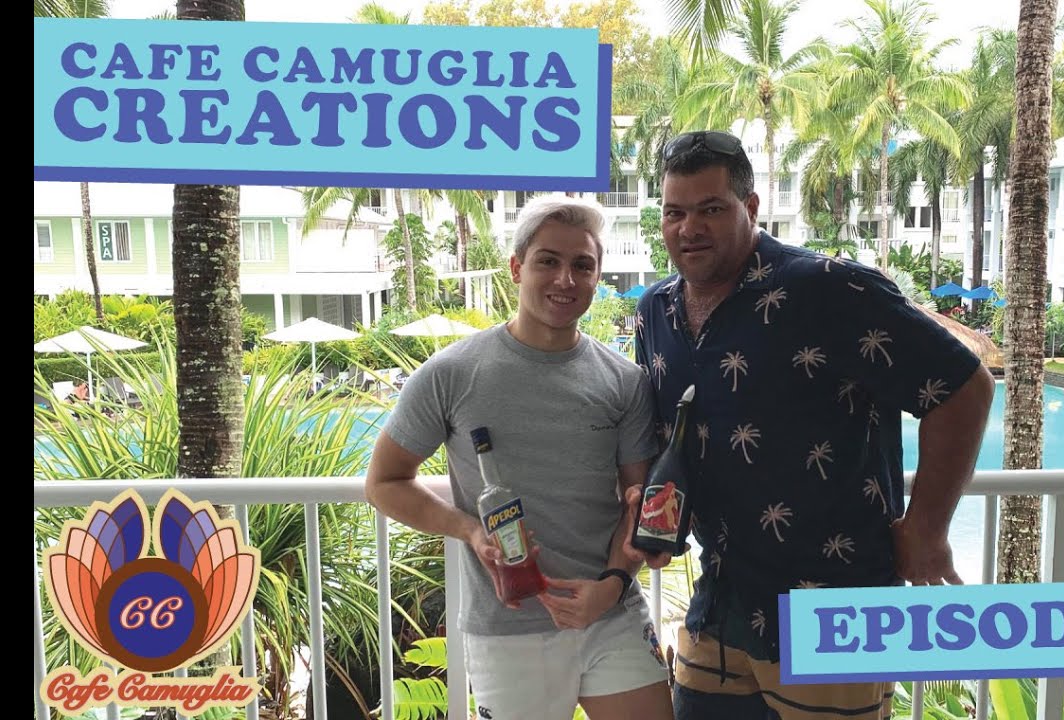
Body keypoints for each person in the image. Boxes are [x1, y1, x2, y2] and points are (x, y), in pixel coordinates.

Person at [626, 130, 995, 719]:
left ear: (750, 207)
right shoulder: (655, 311)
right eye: (675, 212)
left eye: (711, 209)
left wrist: (927, 528)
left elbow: (964, 386)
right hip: (719, 596)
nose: (689, 228)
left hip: (833, 604)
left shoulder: (828, 289)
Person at [365, 196, 674, 720]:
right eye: (547, 261)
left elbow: (637, 502)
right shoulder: (451, 374)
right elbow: (384, 482)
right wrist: (469, 530)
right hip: (508, 626)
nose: (565, 279)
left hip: (611, 614)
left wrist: (611, 585)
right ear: (516, 268)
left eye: (582, 265)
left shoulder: (625, 381)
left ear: (597, 277)